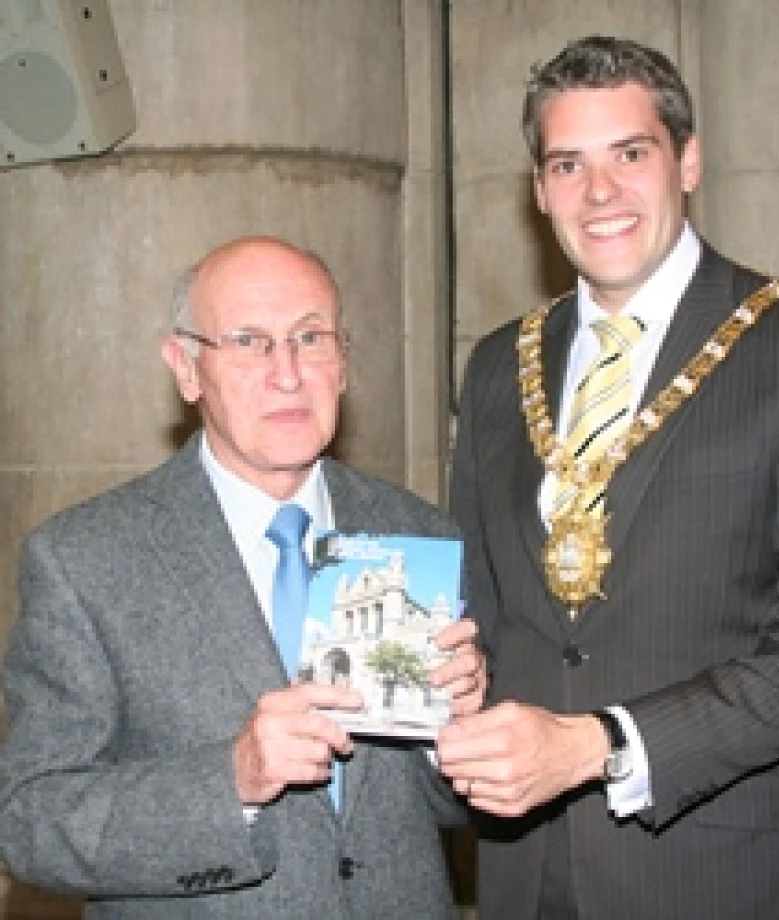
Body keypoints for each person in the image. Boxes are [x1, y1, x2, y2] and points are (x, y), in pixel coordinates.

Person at [436, 35, 779, 920]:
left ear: (687, 161)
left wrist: (599, 745)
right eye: (567, 164)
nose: (598, 193)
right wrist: (450, 673)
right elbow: (485, 618)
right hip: (529, 873)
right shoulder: (499, 365)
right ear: (537, 189)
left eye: (629, 155)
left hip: (727, 874)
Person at [0, 235, 486, 919]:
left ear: (343, 360)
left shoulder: (419, 534)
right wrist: (230, 780)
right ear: (187, 368)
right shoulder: (83, 558)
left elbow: (448, 811)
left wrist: (456, 735)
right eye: (250, 342)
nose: (288, 374)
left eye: (310, 337)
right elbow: (30, 820)